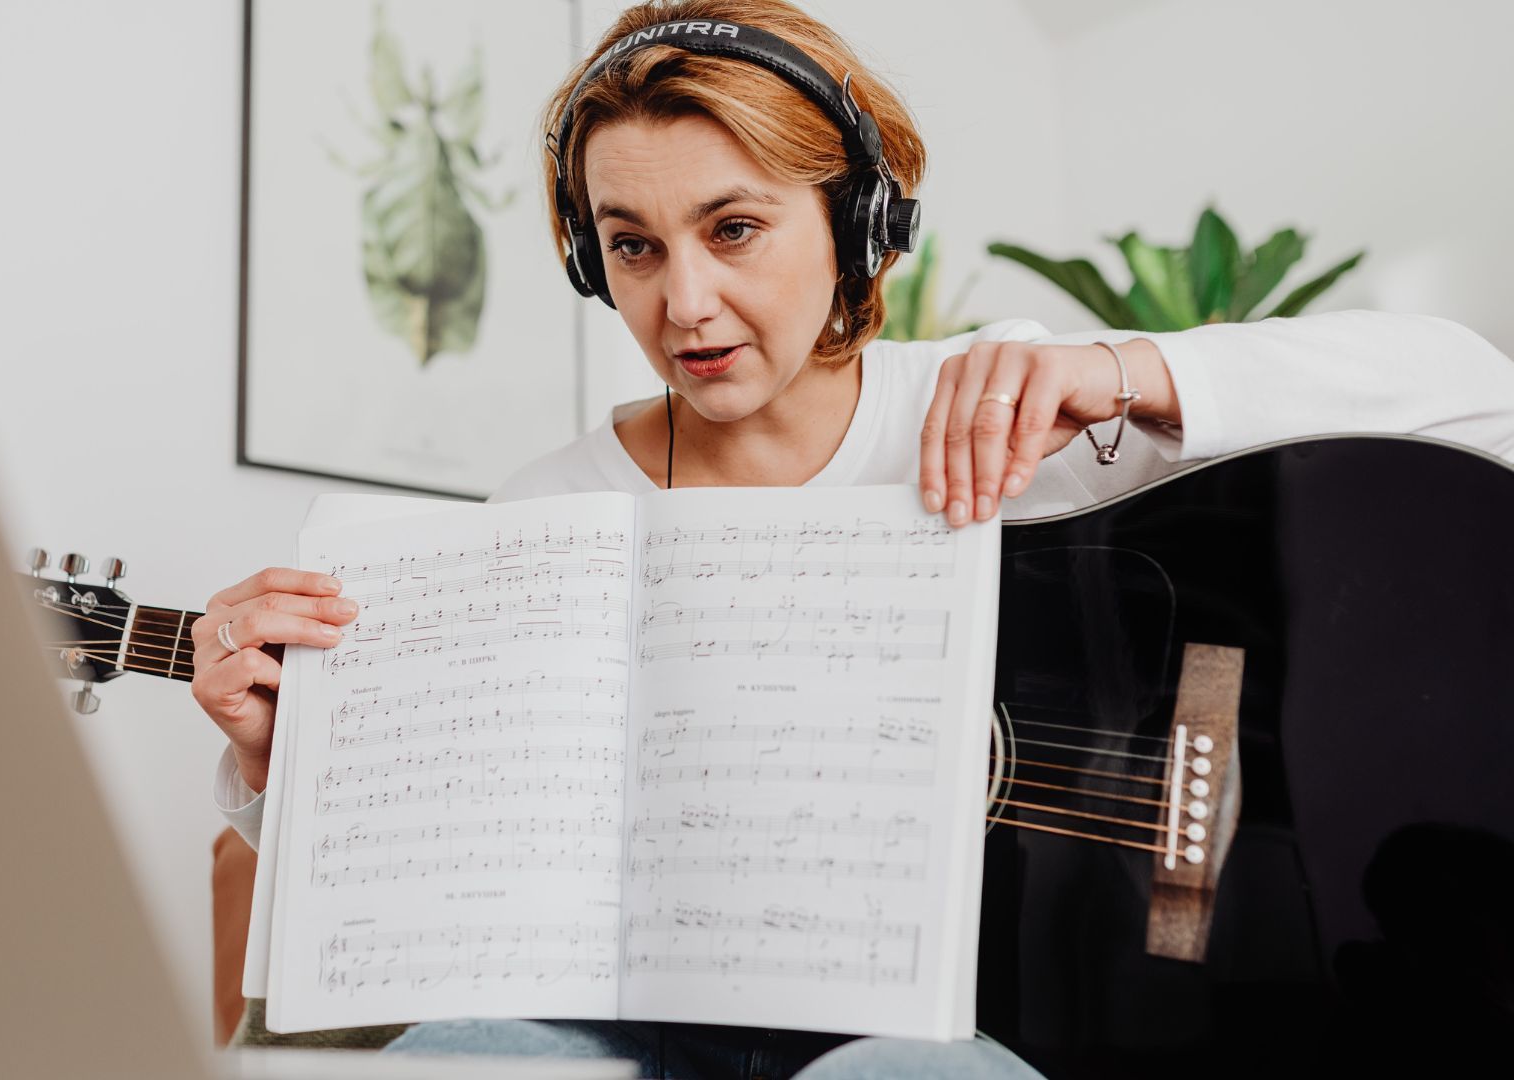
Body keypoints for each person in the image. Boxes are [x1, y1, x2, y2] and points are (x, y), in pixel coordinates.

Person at [191, 1, 1514, 1075]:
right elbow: (451, 882)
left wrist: (1132, 370)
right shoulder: (549, 514)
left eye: (734, 228)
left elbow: (1475, 393)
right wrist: (275, 763)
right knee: (467, 1060)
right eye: (633, 247)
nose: (687, 303)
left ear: (859, 223)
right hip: (639, 1015)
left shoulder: (1009, 402)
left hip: (956, 1014)